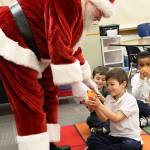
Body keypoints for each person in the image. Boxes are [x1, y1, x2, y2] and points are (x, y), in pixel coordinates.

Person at [0, 0, 116, 150]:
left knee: (50, 94)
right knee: (29, 102)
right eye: (100, 11)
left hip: (42, 48)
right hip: (13, 40)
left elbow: (72, 46)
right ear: (91, 2)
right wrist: (79, 87)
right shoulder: (69, 3)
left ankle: (49, 144)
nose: (100, 18)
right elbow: (59, 44)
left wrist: (87, 81)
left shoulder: (81, 12)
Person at [86, 68, 142, 150]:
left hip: (130, 138)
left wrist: (100, 106)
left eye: (112, 84)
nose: (108, 87)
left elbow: (116, 118)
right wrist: (96, 107)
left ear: (123, 84)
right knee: (92, 139)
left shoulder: (130, 99)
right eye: (107, 85)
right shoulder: (109, 98)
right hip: (114, 136)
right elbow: (104, 119)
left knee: (129, 146)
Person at [86, 66, 109, 133]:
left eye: (103, 80)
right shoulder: (89, 91)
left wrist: (102, 98)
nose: (100, 81)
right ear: (93, 78)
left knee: (111, 120)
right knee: (90, 120)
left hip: (107, 114)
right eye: (98, 78)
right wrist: (91, 102)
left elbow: (111, 105)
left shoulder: (107, 90)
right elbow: (91, 110)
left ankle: (103, 129)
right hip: (95, 116)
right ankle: (104, 128)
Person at [131, 51, 150, 127]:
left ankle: (145, 120)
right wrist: (141, 79)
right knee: (133, 102)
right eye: (142, 65)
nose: (145, 68)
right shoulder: (136, 78)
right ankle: (146, 119)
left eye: (148, 65)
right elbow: (135, 95)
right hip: (142, 106)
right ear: (138, 67)